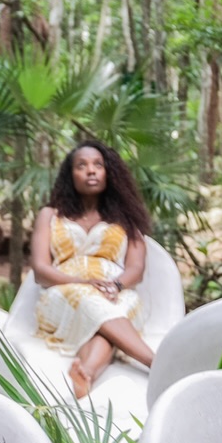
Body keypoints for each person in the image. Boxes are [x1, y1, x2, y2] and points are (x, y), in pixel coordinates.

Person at [31, 141, 156, 399]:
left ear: (108, 172)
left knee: (117, 308)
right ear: (70, 175)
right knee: (90, 302)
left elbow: (136, 268)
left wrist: (116, 286)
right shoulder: (50, 215)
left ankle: (85, 373)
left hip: (114, 290)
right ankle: (158, 364)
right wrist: (84, 282)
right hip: (64, 291)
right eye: (82, 165)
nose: (91, 171)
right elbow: (41, 270)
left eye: (98, 165)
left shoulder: (126, 217)